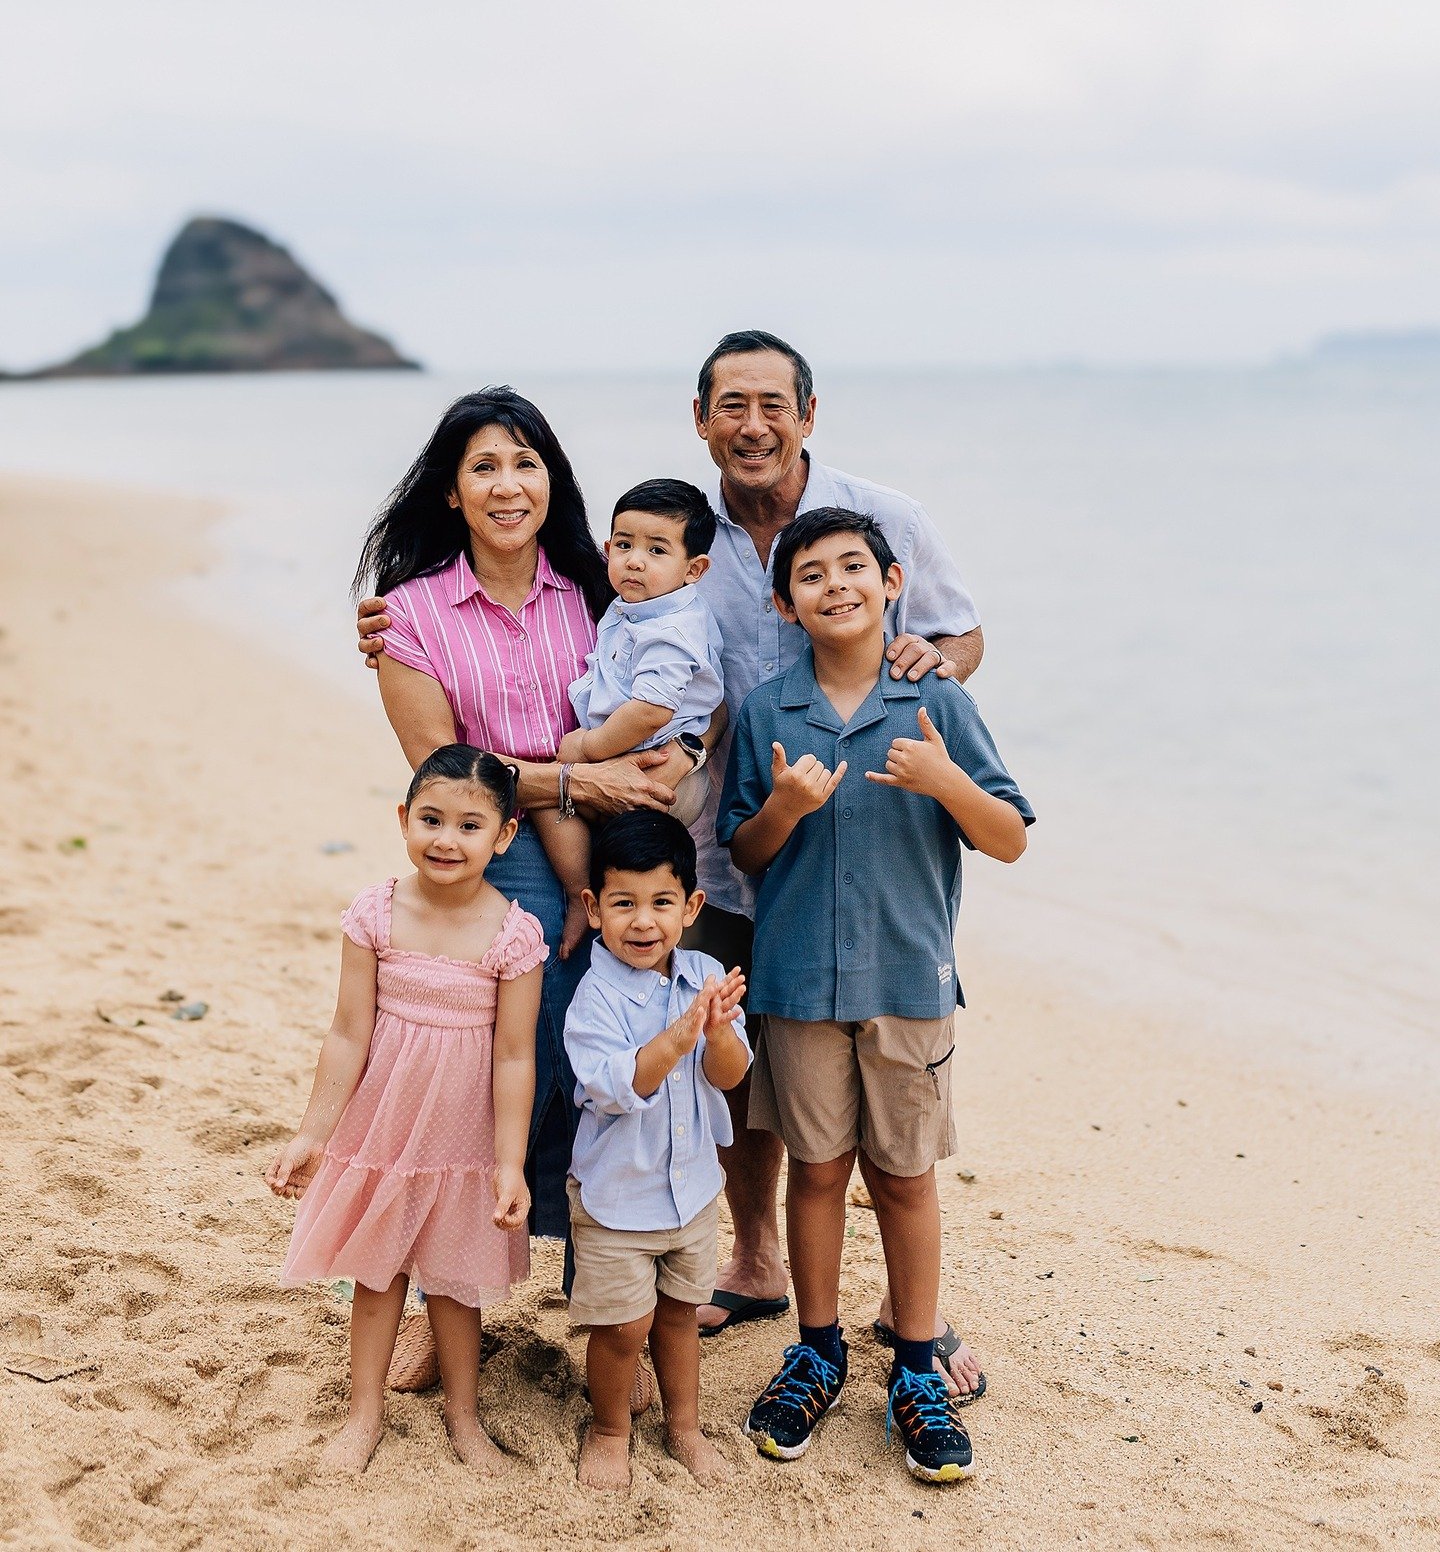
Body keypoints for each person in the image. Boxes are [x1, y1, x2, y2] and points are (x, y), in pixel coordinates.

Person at [353, 387, 711, 1391]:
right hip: (480, 873)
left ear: (553, 481)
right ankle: (440, 1304)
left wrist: (684, 750)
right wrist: (583, 778)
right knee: (462, 1089)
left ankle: (612, 1308)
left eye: (525, 463)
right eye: (484, 467)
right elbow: (443, 772)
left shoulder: (603, 589)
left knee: (602, 1080)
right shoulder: (409, 614)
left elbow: (695, 671)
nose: (508, 484)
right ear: (454, 492)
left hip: (612, 872)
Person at [682, 332, 989, 1401]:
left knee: (898, 1147)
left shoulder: (885, 518)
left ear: (810, 413)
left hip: (882, 873)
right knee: (753, 1092)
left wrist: (929, 672)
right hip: (730, 859)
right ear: (701, 417)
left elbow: (961, 639)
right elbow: (608, 607)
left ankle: (918, 1328)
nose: (752, 422)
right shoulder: (685, 534)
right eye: (732, 404)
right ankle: (763, 1269)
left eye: (773, 402)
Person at [718, 509, 1033, 1483]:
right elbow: (744, 852)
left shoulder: (935, 703)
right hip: (799, 986)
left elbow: (1010, 836)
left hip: (908, 983)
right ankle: (816, 1348)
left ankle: (917, 1364)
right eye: (811, 575)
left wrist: (944, 780)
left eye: (854, 567)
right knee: (813, 1170)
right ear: (785, 603)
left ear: (893, 581)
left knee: (904, 1177)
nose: (836, 586)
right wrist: (784, 807)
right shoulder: (767, 711)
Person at [264, 746, 545, 1474]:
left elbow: (516, 1056)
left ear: (504, 836)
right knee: (377, 1270)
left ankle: (464, 1419)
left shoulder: (514, 934)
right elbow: (347, 1031)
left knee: (455, 1278)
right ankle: (364, 1415)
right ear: (403, 820)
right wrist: (312, 1134)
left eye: (469, 825)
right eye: (430, 819)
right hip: (384, 1122)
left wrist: (510, 1164)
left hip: (462, 1135)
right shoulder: (377, 912)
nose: (446, 840)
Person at [563, 810, 750, 1491]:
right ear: (594, 907)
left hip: (693, 1192)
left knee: (678, 1318)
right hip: (618, 1198)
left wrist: (721, 1029)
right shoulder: (596, 997)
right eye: (624, 904)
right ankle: (610, 1428)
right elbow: (618, 1086)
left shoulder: (703, 973)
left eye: (661, 903)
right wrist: (682, 1031)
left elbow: (727, 1076)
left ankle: (685, 1428)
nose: (643, 922)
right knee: (621, 1327)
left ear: (691, 905)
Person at [529, 479, 726, 957]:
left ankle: (594, 903)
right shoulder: (638, 607)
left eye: (657, 550)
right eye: (624, 544)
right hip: (642, 754)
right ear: (607, 547)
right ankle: (591, 899)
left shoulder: (674, 626)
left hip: (660, 770)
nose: (635, 560)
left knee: (555, 795)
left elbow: (651, 709)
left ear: (694, 569)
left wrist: (589, 748)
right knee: (556, 795)